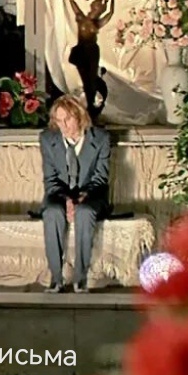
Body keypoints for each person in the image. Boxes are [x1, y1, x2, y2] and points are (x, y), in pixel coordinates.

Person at [39, 95, 111, 293]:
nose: (64, 126)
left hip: (91, 196)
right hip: (59, 195)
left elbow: (100, 180)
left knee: (84, 212)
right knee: (52, 212)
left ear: (79, 116)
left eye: (68, 119)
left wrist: (79, 200)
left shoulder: (101, 138)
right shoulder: (47, 139)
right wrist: (67, 201)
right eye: (59, 121)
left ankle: (80, 279)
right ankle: (56, 279)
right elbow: (50, 180)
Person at [65, 0, 115, 124]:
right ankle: (85, 107)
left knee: (91, 80)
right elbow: (72, 0)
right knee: (83, 79)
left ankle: (91, 109)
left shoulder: (97, 23)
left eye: (99, 5)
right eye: (96, 4)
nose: (96, 5)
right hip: (81, 50)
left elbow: (111, 12)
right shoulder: (81, 17)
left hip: (92, 51)